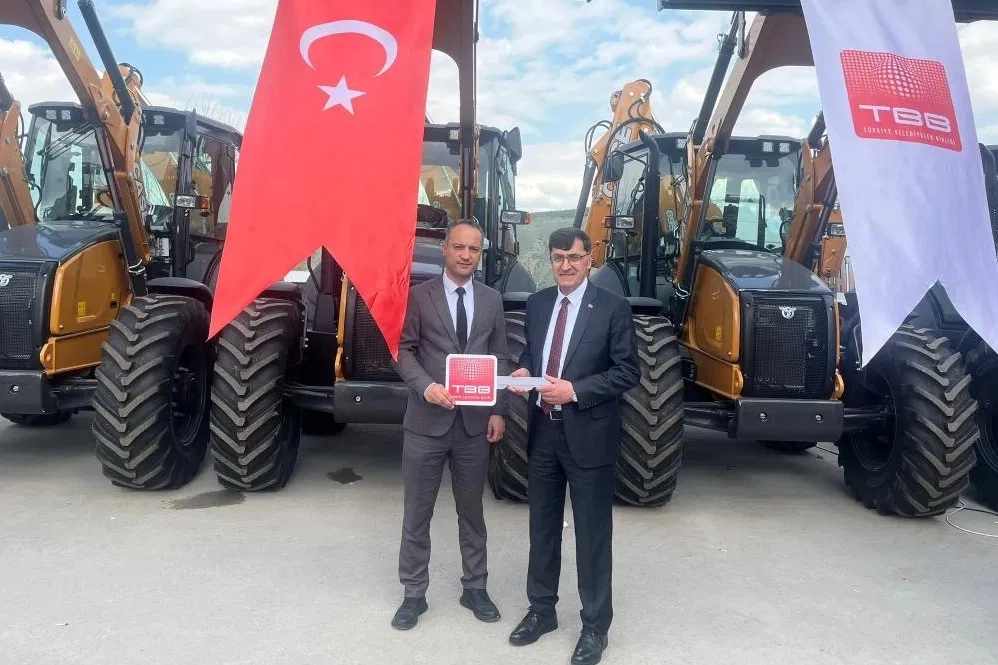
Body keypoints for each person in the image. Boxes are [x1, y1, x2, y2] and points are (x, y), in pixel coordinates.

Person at [505, 227, 640, 665]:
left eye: (574, 257)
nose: (566, 265)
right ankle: (541, 611)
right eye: (558, 257)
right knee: (542, 529)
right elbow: (535, 353)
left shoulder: (613, 308)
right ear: (550, 259)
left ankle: (595, 627)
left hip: (589, 437)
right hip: (544, 433)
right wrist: (524, 370)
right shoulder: (539, 303)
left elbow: (627, 372)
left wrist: (575, 391)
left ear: (589, 259)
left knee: (592, 535)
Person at [391, 218, 510, 630]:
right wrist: (425, 387)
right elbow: (403, 350)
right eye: (459, 247)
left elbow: (500, 357)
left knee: (472, 512)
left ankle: (475, 587)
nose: (465, 255)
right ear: (445, 249)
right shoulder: (418, 297)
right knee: (417, 512)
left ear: (481, 254)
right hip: (426, 423)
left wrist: (498, 410)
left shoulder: (492, 300)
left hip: (473, 426)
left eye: (474, 249)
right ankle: (413, 594)